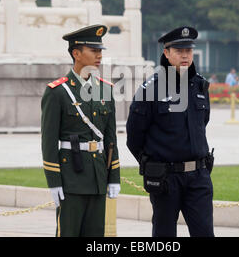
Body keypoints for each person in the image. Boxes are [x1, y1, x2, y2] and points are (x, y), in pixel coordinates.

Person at [126, 26, 214, 237]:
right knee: (164, 236)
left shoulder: (200, 85)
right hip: (166, 179)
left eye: (189, 50)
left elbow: (203, 122)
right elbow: (134, 137)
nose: (185, 55)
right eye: (178, 50)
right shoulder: (150, 90)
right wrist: (152, 165)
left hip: (199, 176)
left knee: (205, 233)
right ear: (166, 53)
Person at [41, 25, 120, 237]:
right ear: (76, 53)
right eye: (93, 51)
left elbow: (111, 138)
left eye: (101, 51)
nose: (99, 55)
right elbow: (48, 143)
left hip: (98, 177)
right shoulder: (57, 92)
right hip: (71, 179)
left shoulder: (105, 89)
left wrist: (114, 176)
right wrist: (54, 182)